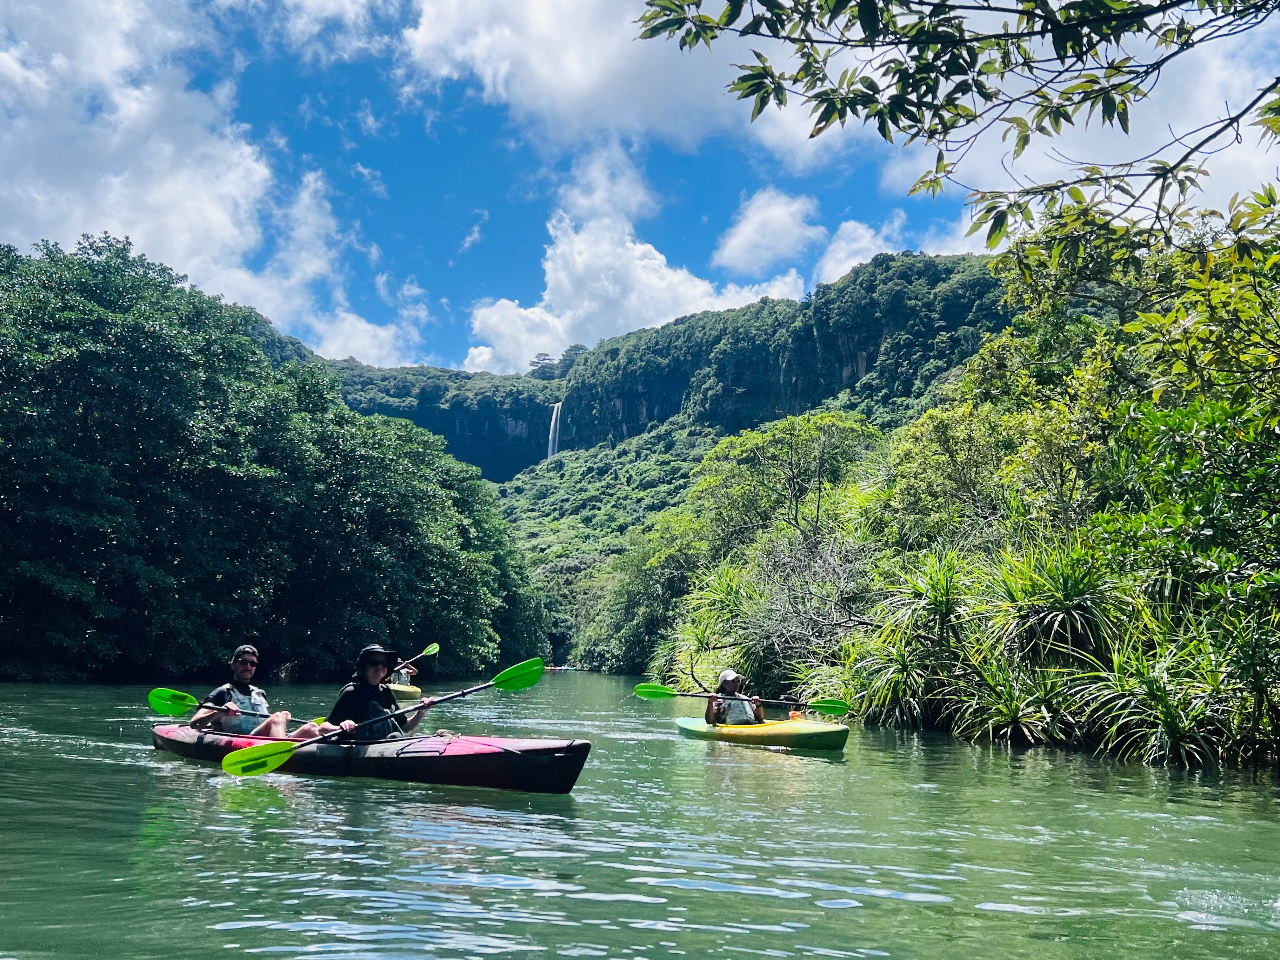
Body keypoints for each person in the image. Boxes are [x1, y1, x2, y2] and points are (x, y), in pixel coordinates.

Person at [190, 645, 319, 738]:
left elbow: (266, 724)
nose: (248, 667)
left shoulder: (260, 693)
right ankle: (279, 753)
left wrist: (283, 718)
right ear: (233, 664)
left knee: (311, 728)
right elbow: (195, 723)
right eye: (243, 662)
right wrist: (219, 711)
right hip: (243, 742)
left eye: (253, 664)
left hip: (263, 740)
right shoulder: (222, 693)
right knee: (277, 717)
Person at [315, 645, 434, 741]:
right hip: (356, 749)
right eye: (374, 663)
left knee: (401, 736)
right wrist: (341, 727)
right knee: (395, 737)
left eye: (384, 663)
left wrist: (421, 712)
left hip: (386, 744)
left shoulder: (386, 692)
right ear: (364, 667)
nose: (380, 667)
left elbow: (405, 726)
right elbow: (323, 728)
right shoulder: (351, 692)